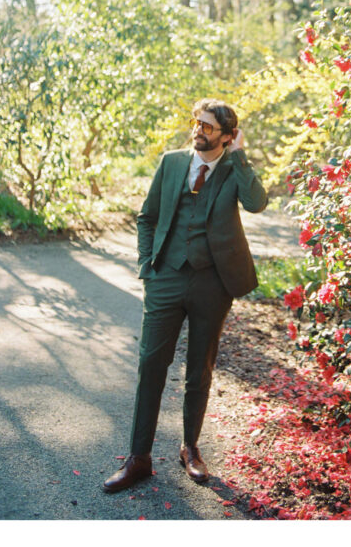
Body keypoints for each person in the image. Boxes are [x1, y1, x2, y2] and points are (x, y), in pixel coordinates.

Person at [103, 98, 268, 493]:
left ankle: (190, 448)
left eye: (209, 127)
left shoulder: (232, 168)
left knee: (200, 369)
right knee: (151, 366)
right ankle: (138, 458)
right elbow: (148, 216)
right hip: (166, 278)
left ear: (228, 137)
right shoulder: (172, 161)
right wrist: (148, 266)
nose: (199, 130)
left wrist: (241, 157)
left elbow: (256, 204)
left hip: (214, 283)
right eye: (198, 123)